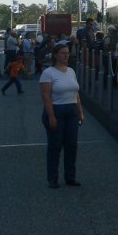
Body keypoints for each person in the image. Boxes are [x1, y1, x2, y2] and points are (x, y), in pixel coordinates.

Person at [40, 40, 84, 188]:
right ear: (55, 55)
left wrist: (80, 111)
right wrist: (51, 116)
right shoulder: (48, 73)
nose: (66, 56)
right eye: (63, 53)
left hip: (71, 111)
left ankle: (70, 177)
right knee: (55, 146)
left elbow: (76, 93)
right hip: (56, 110)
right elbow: (46, 96)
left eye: (67, 53)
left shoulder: (71, 71)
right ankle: (53, 178)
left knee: (72, 146)